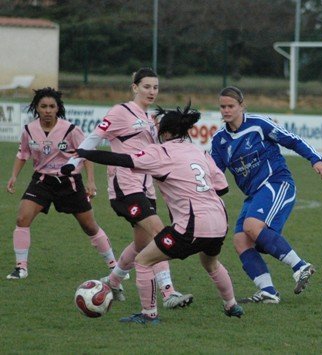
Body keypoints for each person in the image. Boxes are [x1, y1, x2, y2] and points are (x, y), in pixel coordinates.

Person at [72, 103, 244, 324]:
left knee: (144, 260)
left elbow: (124, 160)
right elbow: (222, 188)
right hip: (220, 222)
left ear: (163, 133)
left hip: (192, 225)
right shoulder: (199, 151)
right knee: (211, 264)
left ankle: (148, 314)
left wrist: (84, 153)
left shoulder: (160, 152)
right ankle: (232, 305)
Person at [62, 68, 192, 309]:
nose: (152, 91)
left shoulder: (152, 118)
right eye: (146, 87)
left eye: (155, 87)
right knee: (160, 233)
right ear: (134, 87)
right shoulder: (120, 112)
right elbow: (94, 137)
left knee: (142, 244)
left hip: (146, 188)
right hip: (125, 188)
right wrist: (74, 162)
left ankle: (112, 281)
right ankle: (169, 292)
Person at [210, 86, 322, 304]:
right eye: (222, 106)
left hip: (276, 182)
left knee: (252, 227)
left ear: (241, 106)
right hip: (254, 194)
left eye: (231, 106)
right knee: (240, 240)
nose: (226, 110)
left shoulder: (258, 124)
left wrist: (316, 159)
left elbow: (292, 140)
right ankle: (268, 292)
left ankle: (300, 266)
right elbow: (215, 175)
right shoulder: (219, 141)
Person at [6, 87, 118, 280]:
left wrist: (91, 181)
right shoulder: (29, 130)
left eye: (51, 106)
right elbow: (22, 154)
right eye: (43, 106)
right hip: (42, 181)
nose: (48, 110)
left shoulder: (71, 130)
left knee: (90, 226)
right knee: (22, 219)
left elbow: (86, 154)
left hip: (70, 182)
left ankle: (114, 266)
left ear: (58, 108)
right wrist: (14, 176)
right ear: (37, 108)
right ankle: (21, 268)